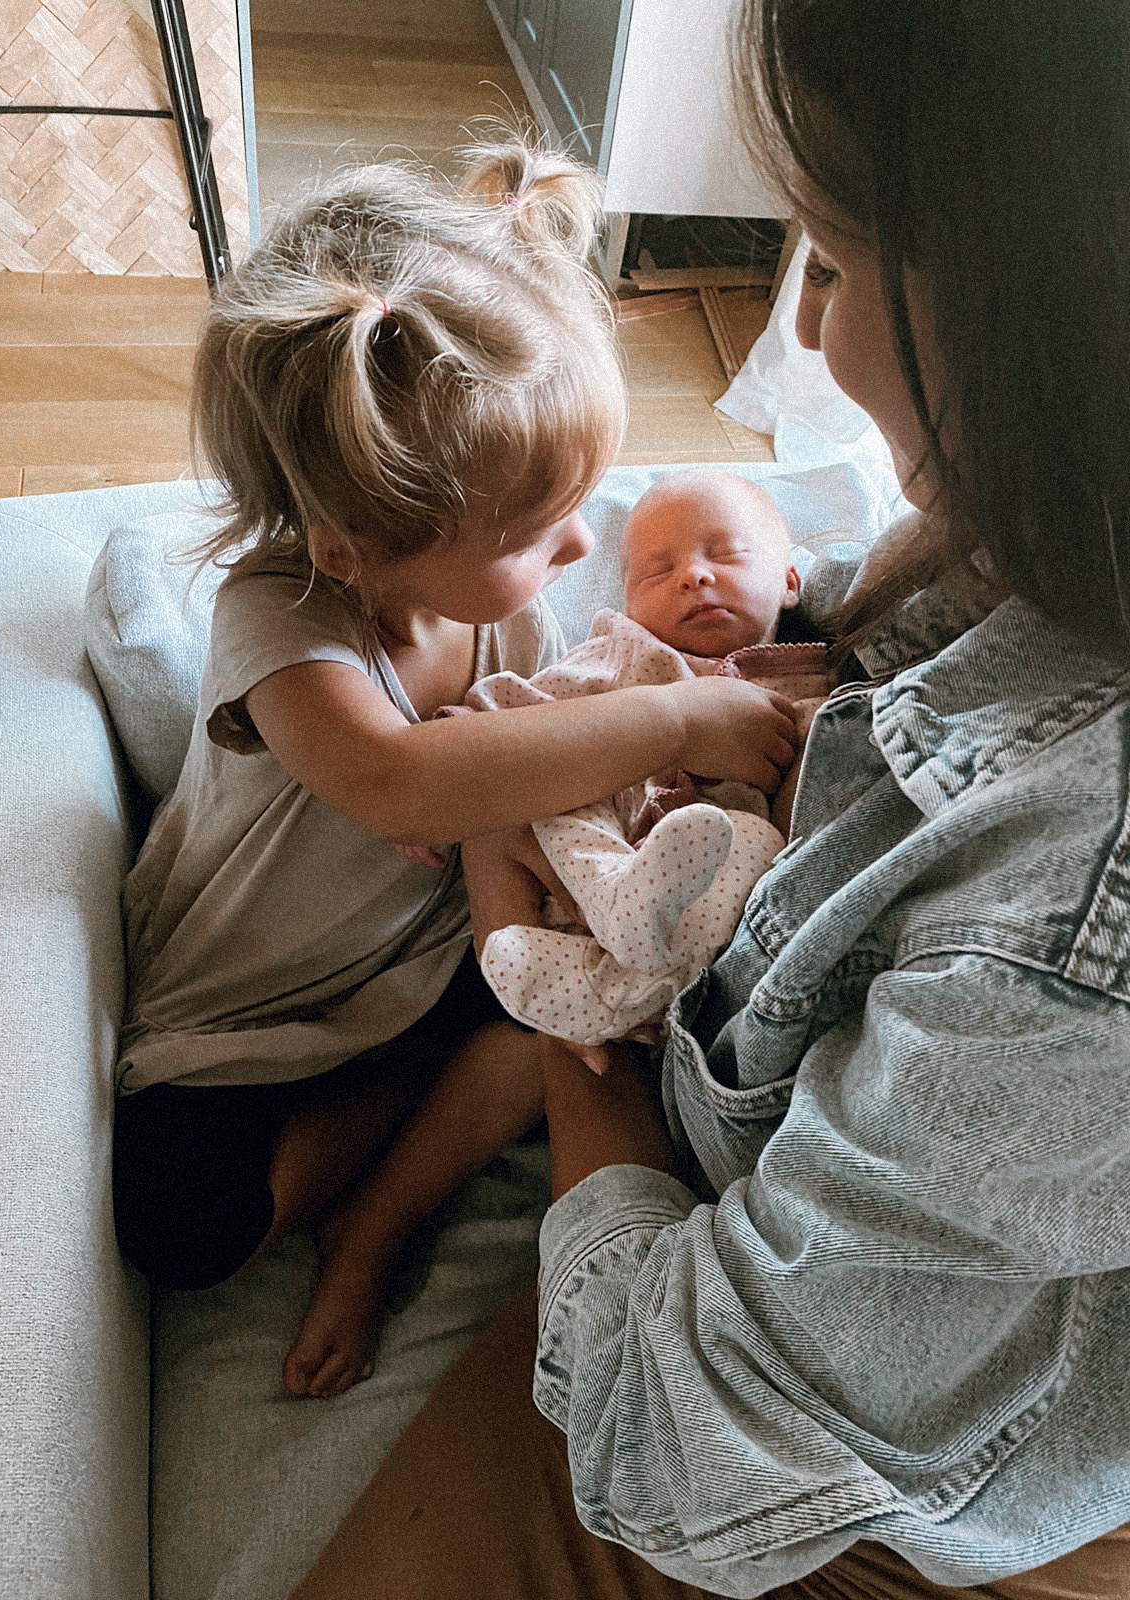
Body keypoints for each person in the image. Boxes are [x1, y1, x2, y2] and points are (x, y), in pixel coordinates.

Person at [298, 1, 1130, 1595]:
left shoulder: (1071, 927)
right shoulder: (1001, 546)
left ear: (1036, 299)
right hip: (706, 1106)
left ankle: (364, 1216)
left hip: (854, 1464)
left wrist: (579, 1030)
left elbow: (668, 1441)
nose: (810, 339)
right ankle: (370, 1220)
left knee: (507, 1054)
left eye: (833, 262)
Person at [109, 137, 798, 1402]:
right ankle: (386, 1121)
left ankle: (373, 1232)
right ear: (352, 545)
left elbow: (517, 782)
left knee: (569, 1029)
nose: (579, 545)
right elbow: (399, 780)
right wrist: (671, 721)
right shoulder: (282, 619)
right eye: (537, 529)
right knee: (182, 1230)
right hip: (247, 1023)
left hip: (425, 971)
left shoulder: (503, 618)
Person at [472, 468, 828, 1049]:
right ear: (631, 604)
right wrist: (461, 725)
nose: (693, 575)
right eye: (657, 572)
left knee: (750, 837)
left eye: (727, 554)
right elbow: (521, 715)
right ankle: (600, 939)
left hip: (708, 926)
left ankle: (626, 988)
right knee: (547, 789)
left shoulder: (816, 684)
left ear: (790, 582)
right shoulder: (623, 654)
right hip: (588, 888)